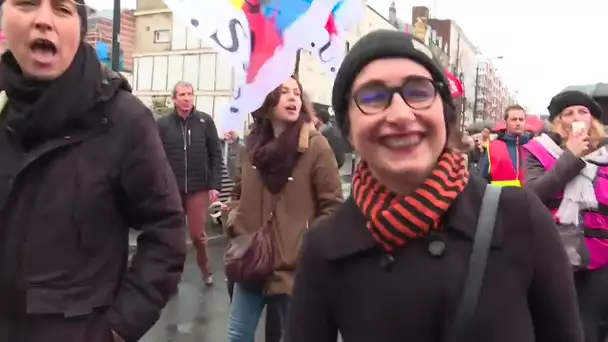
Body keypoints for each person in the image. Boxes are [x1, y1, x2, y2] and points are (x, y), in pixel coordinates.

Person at [286, 30, 583, 342]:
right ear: (348, 126)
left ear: (444, 112)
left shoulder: (521, 217)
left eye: (418, 92)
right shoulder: (325, 245)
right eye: (372, 97)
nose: (400, 115)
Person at [0, 0, 186, 341]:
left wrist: (118, 328)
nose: (44, 20)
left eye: (61, 9)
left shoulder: (124, 120)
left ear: (80, 28)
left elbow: (166, 229)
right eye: (27, 3)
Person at [226, 76, 343, 342]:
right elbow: (237, 193)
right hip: (251, 260)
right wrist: (234, 220)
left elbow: (332, 206)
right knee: (237, 335)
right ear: (267, 101)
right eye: (283, 92)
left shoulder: (315, 146)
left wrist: (307, 245)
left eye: (297, 93)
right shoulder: (251, 146)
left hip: (294, 269)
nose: (292, 98)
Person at [523, 90, 608, 342]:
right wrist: (571, 156)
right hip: (555, 255)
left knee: (595, 327)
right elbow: (533, 195)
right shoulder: (539, 151)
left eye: (583, 112)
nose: (576, 117)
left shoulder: (605, 156)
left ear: (593, 120)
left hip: (601, 258)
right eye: (568, 113)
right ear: (559, 122)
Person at [157, 81, 223, 286]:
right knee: (173, 236)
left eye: (190, 94)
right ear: (174, 99)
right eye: (182, 95)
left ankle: (206, 270)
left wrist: (215, 184)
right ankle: (172, 276)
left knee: (197, 234)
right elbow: (154, 156)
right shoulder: (163, 124)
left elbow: (215, 154)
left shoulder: (205, 121)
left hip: (197, 188)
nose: (186, 98)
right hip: (172, 189)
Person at [478, 105, 530, 186]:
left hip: (528, 197)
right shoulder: (492, 147)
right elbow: (482, 179)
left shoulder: (532, 147)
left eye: (521, 119)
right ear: (506, 123)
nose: (518, 123)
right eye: (514, 119)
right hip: (498, 197)